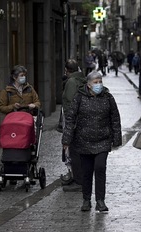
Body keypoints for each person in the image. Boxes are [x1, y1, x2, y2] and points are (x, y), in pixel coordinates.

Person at [62, 71, 122, 212]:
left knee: (100, 168)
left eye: (100, 81)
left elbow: (115, 118)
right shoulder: (79, 98)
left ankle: (100, 200)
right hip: (83, 141)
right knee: (87, 171)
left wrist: (116, 139)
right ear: (88, 85)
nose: (98, 84)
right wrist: (67, 140)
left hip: (102, 140)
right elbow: (70, 119)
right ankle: (86, 199)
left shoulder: (108, 97)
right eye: (95, 82)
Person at [61, 59, 87, 192]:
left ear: (67, 70)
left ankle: (78, 180)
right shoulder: (81, 79)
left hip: (74, 121)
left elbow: (72, 102)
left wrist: (70, 123)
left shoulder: (71, 82)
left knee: (73, 150)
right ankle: (78, 177)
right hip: (80, 120)